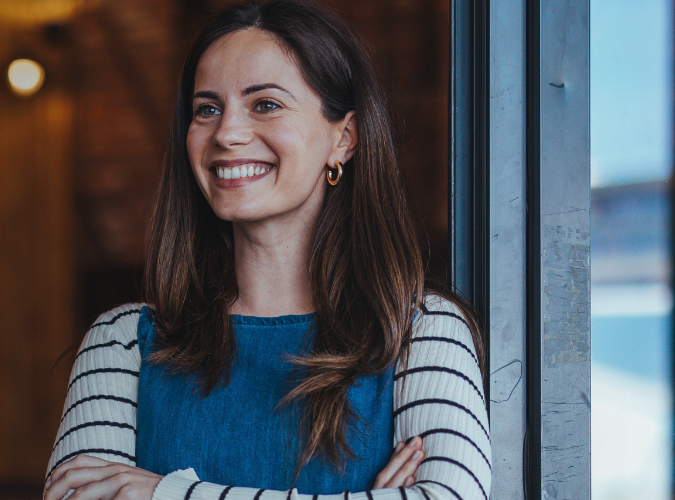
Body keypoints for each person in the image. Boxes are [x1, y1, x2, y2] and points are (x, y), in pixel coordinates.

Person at [42, 2, 491, 500]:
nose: (227, 133)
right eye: (207, 109)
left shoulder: (420, 332)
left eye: (266, 104)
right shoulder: (121, 343)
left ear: (343, 138)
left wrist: (162, 493)